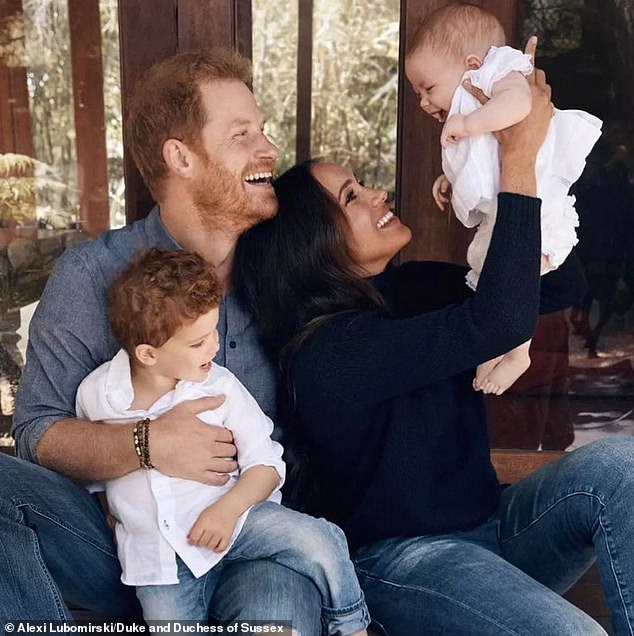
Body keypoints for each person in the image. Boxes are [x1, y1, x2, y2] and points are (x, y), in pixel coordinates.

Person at [234, 50, 634, 635]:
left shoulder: (415, 284)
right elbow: (495, 323)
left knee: (623, 467)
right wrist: (514, 152)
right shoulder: (325, 354)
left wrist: (510, 181)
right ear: (311, 246)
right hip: (404, 562)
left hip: (495, 527)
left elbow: (556, 287)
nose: (377, 195)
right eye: (351, 197)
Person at [2, 49, 322, 632]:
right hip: (128, 550)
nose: (269, 149)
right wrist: (147, 444)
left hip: (251, 535)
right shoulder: (92, 275)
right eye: (242, 133)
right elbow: (36, 434)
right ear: (182, 157)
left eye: (264, 130)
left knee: (281, 618)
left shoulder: (283, 272)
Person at [75, 247, 369, 634]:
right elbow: (94, 469)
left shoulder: (220, 386)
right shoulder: (98, 395)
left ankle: (352, 625)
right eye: (197, 343)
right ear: (148, 353)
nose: (214, 347)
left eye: (213, 330)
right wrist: (112, 512)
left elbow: (267, 464)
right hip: (159, 563)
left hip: (239, 522)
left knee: (319, 540)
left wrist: (227, 511)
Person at [404, 2, 602, 395]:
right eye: (417, 94)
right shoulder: (473, 99)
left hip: (539, 204)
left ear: (472, 63)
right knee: (489, 271)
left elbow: (519, 106)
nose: (425, 103)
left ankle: (517, 352)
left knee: (517, 275)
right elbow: (486, 158)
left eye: (429, 88)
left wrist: (467, 122)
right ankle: (496, 344)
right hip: (508, 206)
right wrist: (450, 178)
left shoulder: (502, 73)